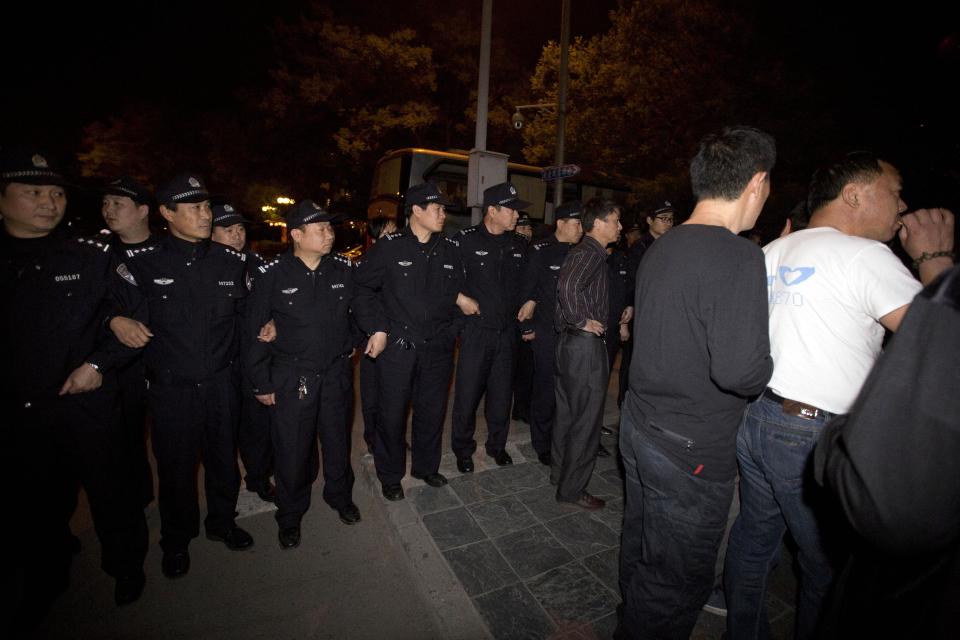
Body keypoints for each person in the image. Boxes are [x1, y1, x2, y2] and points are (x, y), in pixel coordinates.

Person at [724, 151, 955, 640]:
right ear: (854, 194)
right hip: (811, 435)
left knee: (754, 537)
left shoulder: (772, 252)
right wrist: (935, 259)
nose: (903, 204)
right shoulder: (866, 256)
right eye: (894, 192)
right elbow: (939, 351)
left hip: (757, 418)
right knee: (827, 565)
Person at [617, 126, 775, 639]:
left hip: (640, 428)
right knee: (677, 581)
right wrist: (771, 363)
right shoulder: (738, 255)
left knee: (642, 548)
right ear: (756, 183)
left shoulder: (662, 245)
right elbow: (739, 372)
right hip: (690, 449)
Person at [1, 148, 148, 623]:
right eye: (34, 192)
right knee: (35, 502)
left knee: (112, 493)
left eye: (56, 193)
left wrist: (100, 364)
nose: (49, 201)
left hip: (87, 402)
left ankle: (126, 567)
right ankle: (47, 578)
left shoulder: (91, 254)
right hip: (22, 412)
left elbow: (135, 317)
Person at [113, 173, 253, 579]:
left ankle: (222, 522)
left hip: (222, 384)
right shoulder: (144, 264)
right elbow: (109, 310)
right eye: (194, 208)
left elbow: (244, 322)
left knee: (224, 461)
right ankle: (176, 539)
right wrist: (113, 320)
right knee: (175, 468)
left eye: (207, 207)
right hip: (172, 388)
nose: (205, 215)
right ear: (166, 213)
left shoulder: (231, 262)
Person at [814, 264, 960, 640]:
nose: (901, 209)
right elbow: (889, 502)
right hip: (921, 598)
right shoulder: (947, 295)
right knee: (813, 561)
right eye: (894, 198)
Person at [245, 200, 363, 548]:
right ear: (297, 235)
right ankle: (290, 514)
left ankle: (340, 496)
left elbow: (360, 309)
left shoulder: (342, 269)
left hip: (336, 373)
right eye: (321, 229)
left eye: (330, 228)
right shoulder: (273, 275)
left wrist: (353, 340)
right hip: (293, 375)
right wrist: (261, 383)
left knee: (338, 441)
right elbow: (254, 331)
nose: (329, 235)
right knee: (292, 450)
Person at [355, 183, 476, 500]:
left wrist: (454, 330)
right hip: (399, 346)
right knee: (392, 415)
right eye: (436, 208)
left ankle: (426, 466)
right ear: (416, 211)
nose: (443, 213)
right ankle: (391, 474)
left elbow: (458, 295)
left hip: (438, 346)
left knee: (432, 412)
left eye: (443, 208)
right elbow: (362, 289)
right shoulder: (390, 247)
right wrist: (377, 328)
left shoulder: (449, 249)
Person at [450, 182, 529, 473]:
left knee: (501, 395)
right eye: (511, 210)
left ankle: (497, 446)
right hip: (476, 333)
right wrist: (461, 315)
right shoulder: (464, 241)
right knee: (467, 395)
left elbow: (527, 286)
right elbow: (448, 282)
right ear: (492, 211)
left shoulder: (519, 244)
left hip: (507, 333)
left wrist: (529, 307)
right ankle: (463, 449)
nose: (516, 216)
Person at [552, 198, 622, 509]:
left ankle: (561, 475)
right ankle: (572, 489)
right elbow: (567, 287)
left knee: (568, 414)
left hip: (570, 344)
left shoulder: (584, 252)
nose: (620, 227)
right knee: (586, 421)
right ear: (599, 224)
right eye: (616, 221)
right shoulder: (590, 252)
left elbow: (565, 290)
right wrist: (582, 320)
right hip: (583, 347)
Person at [211, 202, 276, 503]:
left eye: (240, 229)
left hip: (252, 358)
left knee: (256, 425)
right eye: (228, 230)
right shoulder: (203, 266)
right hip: (218, 364)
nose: (236, 235)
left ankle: (258, 477)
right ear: (211, 234)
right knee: (222, 432)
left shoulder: (256, 264)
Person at [100, 176, 155, 509]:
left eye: (117, 203)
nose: (108, 210)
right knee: (126, 438)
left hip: (167, 361)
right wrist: (112, 319)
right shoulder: (96, 254)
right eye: (105, 203)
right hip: (121, 364)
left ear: (143, 210)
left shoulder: (167, 250)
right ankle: (136, 499)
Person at [517, 201, 584, 465]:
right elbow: (527, 290)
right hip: (546, 331)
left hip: (573, 332)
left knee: (568, 389)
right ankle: (542, 442)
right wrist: (527, 328)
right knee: (545, 388)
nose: (580, 228)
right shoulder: (540, 250)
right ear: (561, 223)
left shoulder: (580, 252)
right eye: (576, 223)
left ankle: (562, 437)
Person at [617, 202, 675, 405]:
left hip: (663, 314)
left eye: (670, 219)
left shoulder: (672, 245)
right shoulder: (640, 247)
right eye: (663, 218)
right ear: (650, 221)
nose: (667, 223)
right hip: (641, 313)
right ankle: (625, 403)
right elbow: (632, 282)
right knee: (633, 361)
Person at [358, 216, 397, 455]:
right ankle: (373, 438)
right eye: (386, 234)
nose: (392, 238)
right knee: (372, 394)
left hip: (397, 337)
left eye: (395, 232)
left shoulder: (401, 261)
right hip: (372, 336)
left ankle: (393, 438)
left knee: (395, 395)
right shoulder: (366, 264)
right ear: (374, 239)